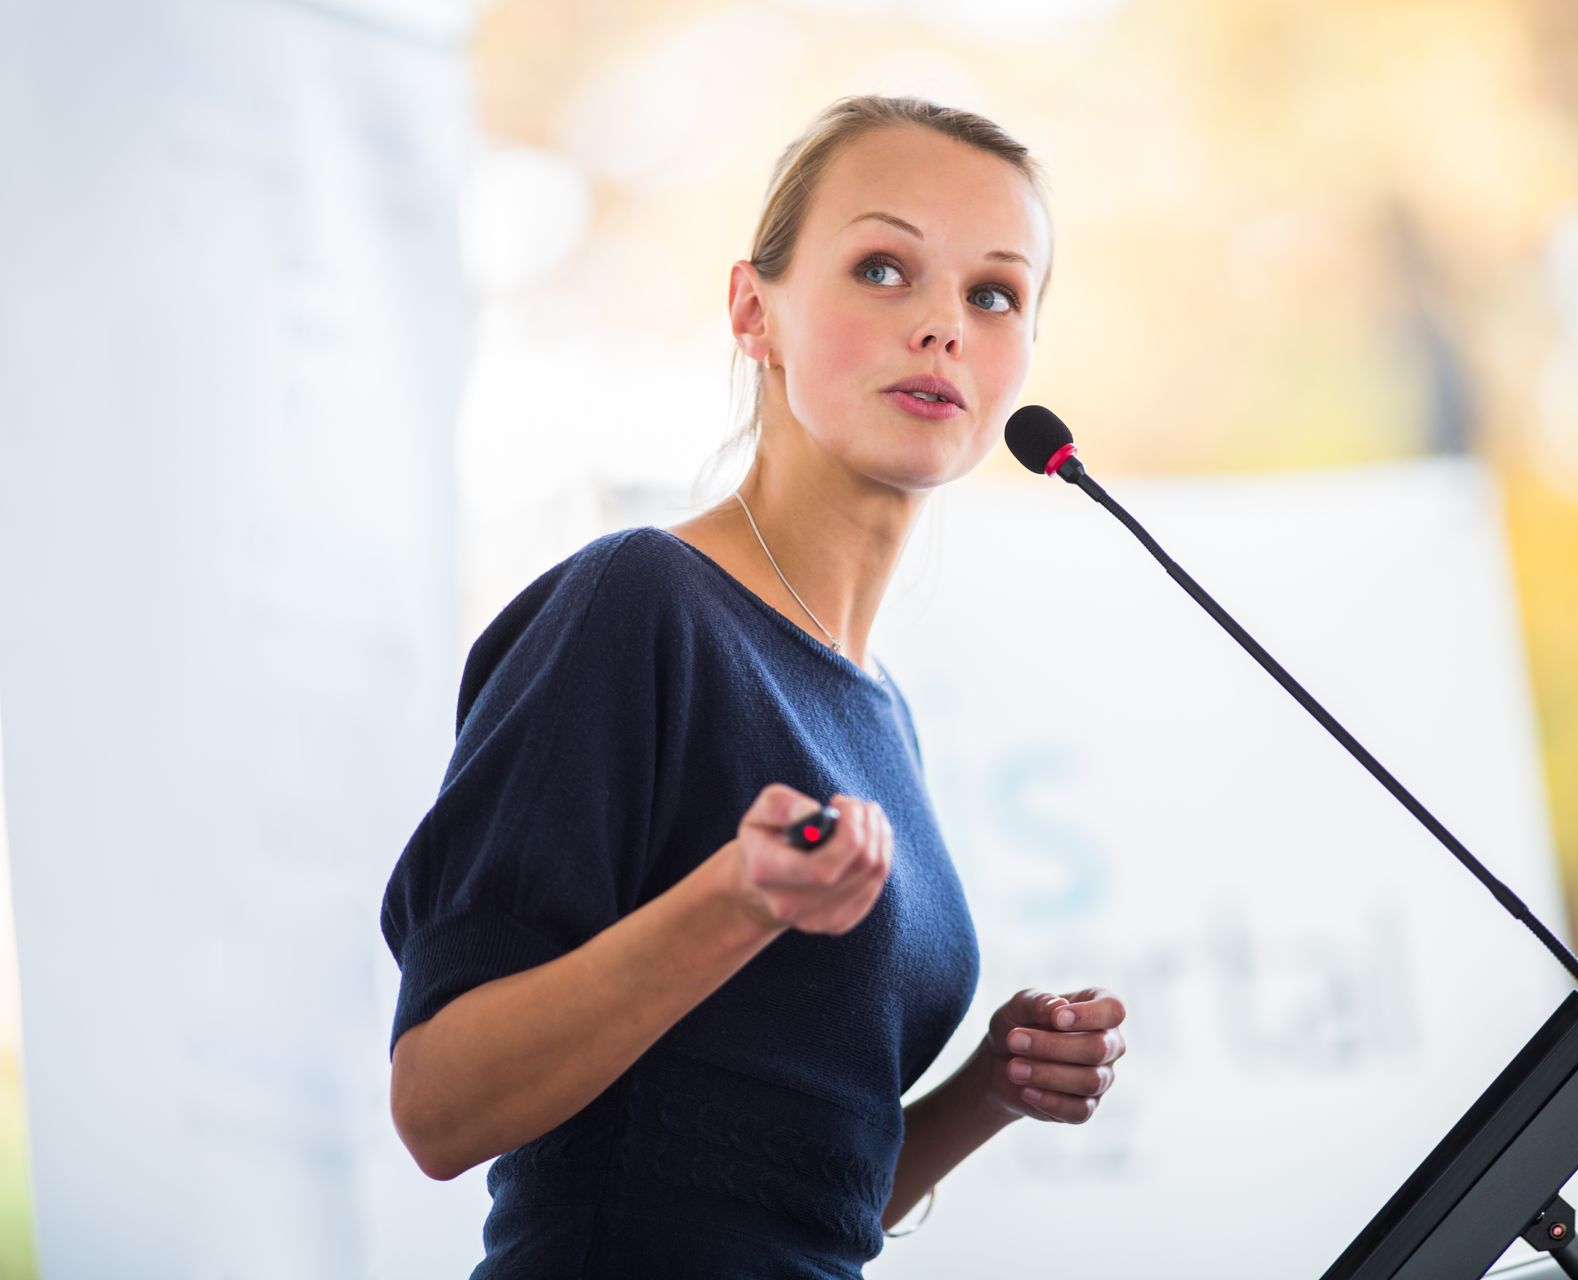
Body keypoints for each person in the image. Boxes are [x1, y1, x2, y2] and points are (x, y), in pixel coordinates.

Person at [380, 94, 1130, 1278]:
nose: (943, 324)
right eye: (885, 267)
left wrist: (991, 1088)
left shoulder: (882, 711)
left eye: (995, 293)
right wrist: (735, 903)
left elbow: (803, 1202)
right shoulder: (639, 604)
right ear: (753, 310)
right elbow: (439, 1102)